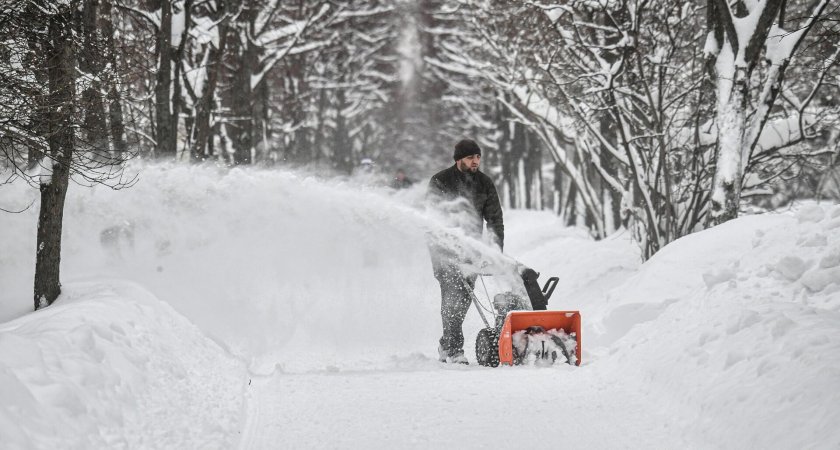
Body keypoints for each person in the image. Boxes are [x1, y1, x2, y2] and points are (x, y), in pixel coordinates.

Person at [427, 139, 504, 364]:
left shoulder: (484, 183)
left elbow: (495, 219)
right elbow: (434, 215)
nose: (475, 161)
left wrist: (495, 249)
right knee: (452, 295)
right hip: (443, 248)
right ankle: (454, 351)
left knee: (464, 299)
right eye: (471, 157)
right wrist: (450, 237)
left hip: (472, 249)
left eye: (478, 157)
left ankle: (445, 343)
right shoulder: (440, 180)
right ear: (459, 159)